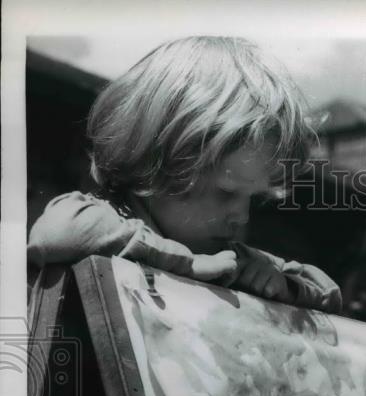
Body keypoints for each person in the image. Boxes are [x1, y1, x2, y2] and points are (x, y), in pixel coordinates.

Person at [27, 36, 341, 313]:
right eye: (227, 193)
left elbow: (328, 293)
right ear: (161, 162)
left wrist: (286, 287)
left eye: (252, 198)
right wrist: (185, 263)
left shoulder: (226, 255)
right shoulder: (108, 218)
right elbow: (58, 231)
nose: (242, 217)